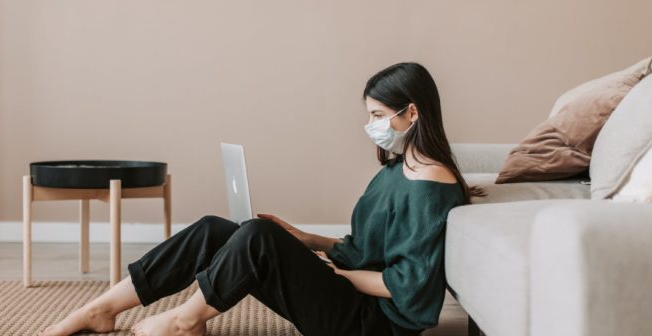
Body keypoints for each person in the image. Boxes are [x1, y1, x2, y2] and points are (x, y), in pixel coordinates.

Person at [40, 62, 486, 336]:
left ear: (412, 112)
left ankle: (185, 321)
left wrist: (329, 273)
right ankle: (102, 309)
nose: (370, 125)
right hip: (354, 296)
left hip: (374, 324)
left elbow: (404, 286)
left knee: (257, 237)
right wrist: (305, 238)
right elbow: (369, 247)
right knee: (218, 228)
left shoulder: (430, 184)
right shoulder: (398, 168)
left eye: (377, 116)